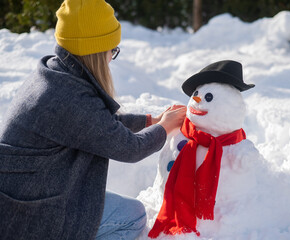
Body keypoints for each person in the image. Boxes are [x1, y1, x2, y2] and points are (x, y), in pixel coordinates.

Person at [0, 0, 186, 239]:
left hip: (23, 196)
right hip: (27, 215)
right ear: (97, 51)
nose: (111, 58)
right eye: (112, 50)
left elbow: (97, 123)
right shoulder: (68, 97)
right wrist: (164, 127)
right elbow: (128, 148)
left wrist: (150, 120)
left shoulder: (56, 75)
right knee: (133, 217)